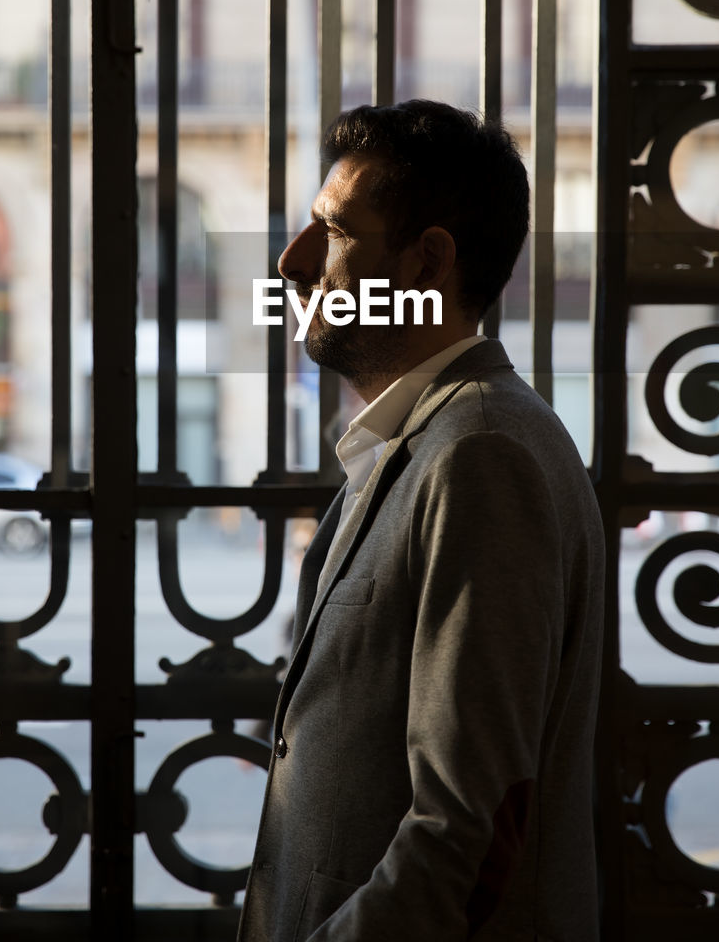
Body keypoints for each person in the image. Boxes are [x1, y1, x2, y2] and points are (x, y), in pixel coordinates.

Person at [238, 100, 604, 942]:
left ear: (425, 260)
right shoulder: (425, 436)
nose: (292, 263)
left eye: (330, 234)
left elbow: (466, 829)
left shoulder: (479, 455)